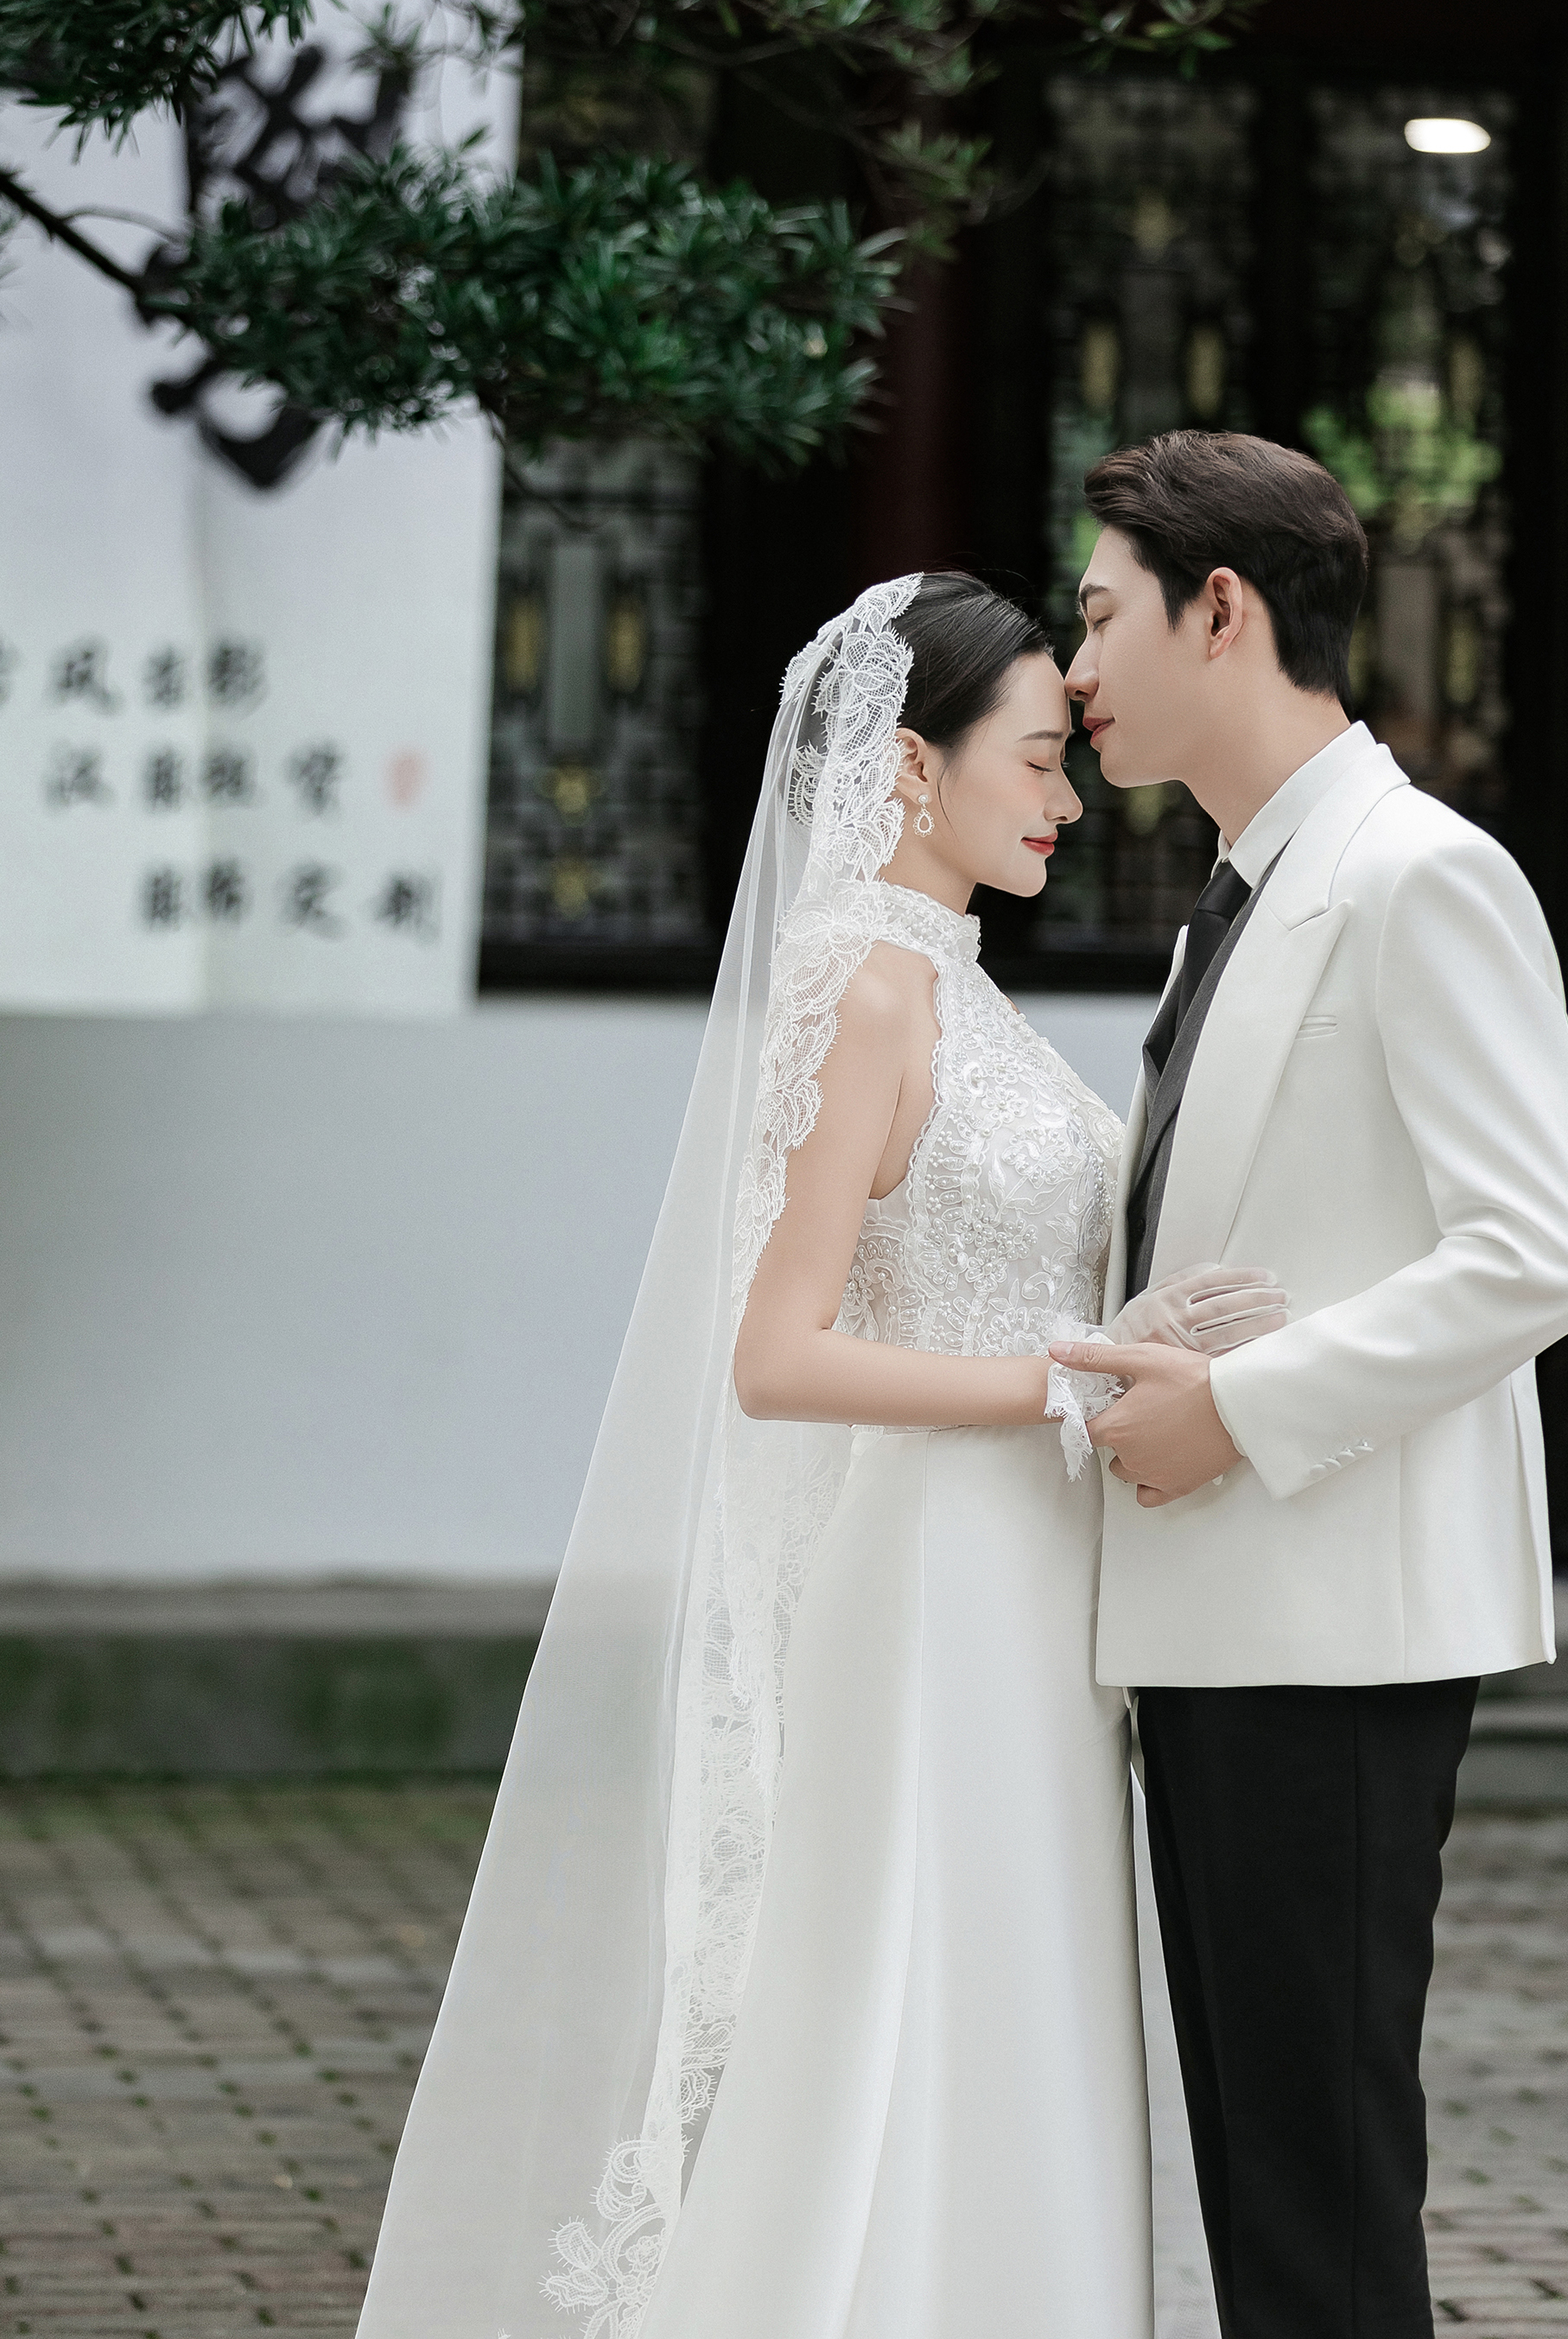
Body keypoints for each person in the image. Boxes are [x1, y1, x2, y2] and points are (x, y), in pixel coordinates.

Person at [355, 571, 1280, 2339]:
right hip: (932, 1579)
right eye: (1036, 759)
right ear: (913, 768)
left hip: (1027, 1580)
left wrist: (1131, 1333)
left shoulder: (955, 986)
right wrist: (1063, 1386)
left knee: (1011, 1989)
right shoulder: (863, 990)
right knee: (908, 1992)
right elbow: (775, 1358)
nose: (1069, 800)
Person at [1051, 430, 1568, 2339]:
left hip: (1336, 1621)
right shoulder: (1243, 888)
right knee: (1260, 2169)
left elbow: (1543, 1244)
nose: (1076, 669)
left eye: (1101, 617)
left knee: (1318, 2186)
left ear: (1221, 609)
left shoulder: (1416, 874)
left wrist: (1239, 1407)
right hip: (1227, 1614)